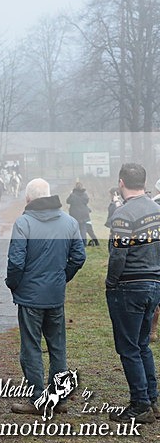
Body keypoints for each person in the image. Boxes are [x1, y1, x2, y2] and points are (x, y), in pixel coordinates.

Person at [7, 178, 86, 415]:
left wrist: (13, 285)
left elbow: (16, 262)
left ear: (29, 199)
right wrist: (61, 279)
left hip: (30, 298)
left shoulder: (23, 223)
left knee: (31, 348)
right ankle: (58, 399)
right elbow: (79, 257)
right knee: (57, 347)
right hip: (55, 296)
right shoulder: (70, 222)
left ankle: (37, 399)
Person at [105, 163, 160, 423]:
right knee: (142, 345)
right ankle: (152, 398)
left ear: (121, 183)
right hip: (154, 285)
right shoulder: (158, 210)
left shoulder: (122, 215)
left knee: (128, 348)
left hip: (129, 286)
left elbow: (118, 254)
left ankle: (140, 404)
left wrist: (111, 282)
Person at [66, 182, 99, 246]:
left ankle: (74, 242)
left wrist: (71, 194)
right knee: (83, 229)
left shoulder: (73, 195)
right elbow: (86, 201)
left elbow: (68, 201)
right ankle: (84, 243)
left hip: (75, 214)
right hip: (84, 213)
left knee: (75, 229)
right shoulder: (85, 194)